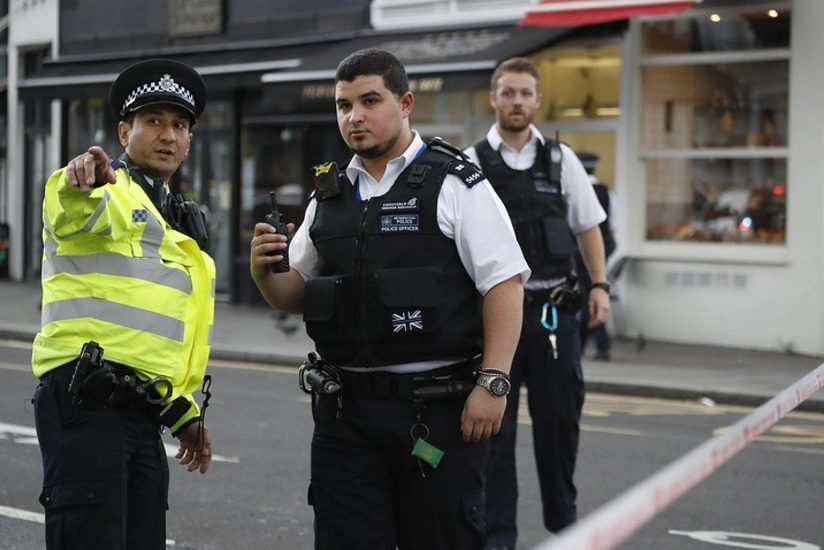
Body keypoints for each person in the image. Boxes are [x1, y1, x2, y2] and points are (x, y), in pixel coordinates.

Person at [250, 48, 530, 550]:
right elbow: (294, 293)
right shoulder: (329, 195)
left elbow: (504, 283)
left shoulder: (455, 182)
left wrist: (494, 381)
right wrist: (264, 271)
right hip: (345, 415)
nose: (354, 116)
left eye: (369, 100)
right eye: (342, 105)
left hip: (436, 414)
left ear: (405, 103)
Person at [32, 58, 215, 550]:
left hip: (141, 414)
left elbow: (150, 335)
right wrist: (80, 183)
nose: (168, 135)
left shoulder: (175, 216)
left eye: (179, 125)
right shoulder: (108, 189)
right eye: (153, 121)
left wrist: (182, 413)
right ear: (124, 131)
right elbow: (70, 209)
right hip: (86, 402)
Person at [463, 57, 611, 549]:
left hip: (554, 315)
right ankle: (498, 536)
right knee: (493, 435)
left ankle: (564, 524)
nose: (517, 102)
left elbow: (587, 226)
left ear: (538, 100)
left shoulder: (562, 160)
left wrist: (600, 286)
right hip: (496, 321)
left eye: (526, 93)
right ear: (494, 97)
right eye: (508, 92)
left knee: (559, 424)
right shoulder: (471, 162)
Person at [575, 151, 617, 361]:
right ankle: (596, 344)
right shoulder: (606, 192)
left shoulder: (576, 191)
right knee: (595, 290)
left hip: (579, 251)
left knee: (586, 295)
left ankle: (591, 343)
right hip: (604, 248)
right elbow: (613, 224)